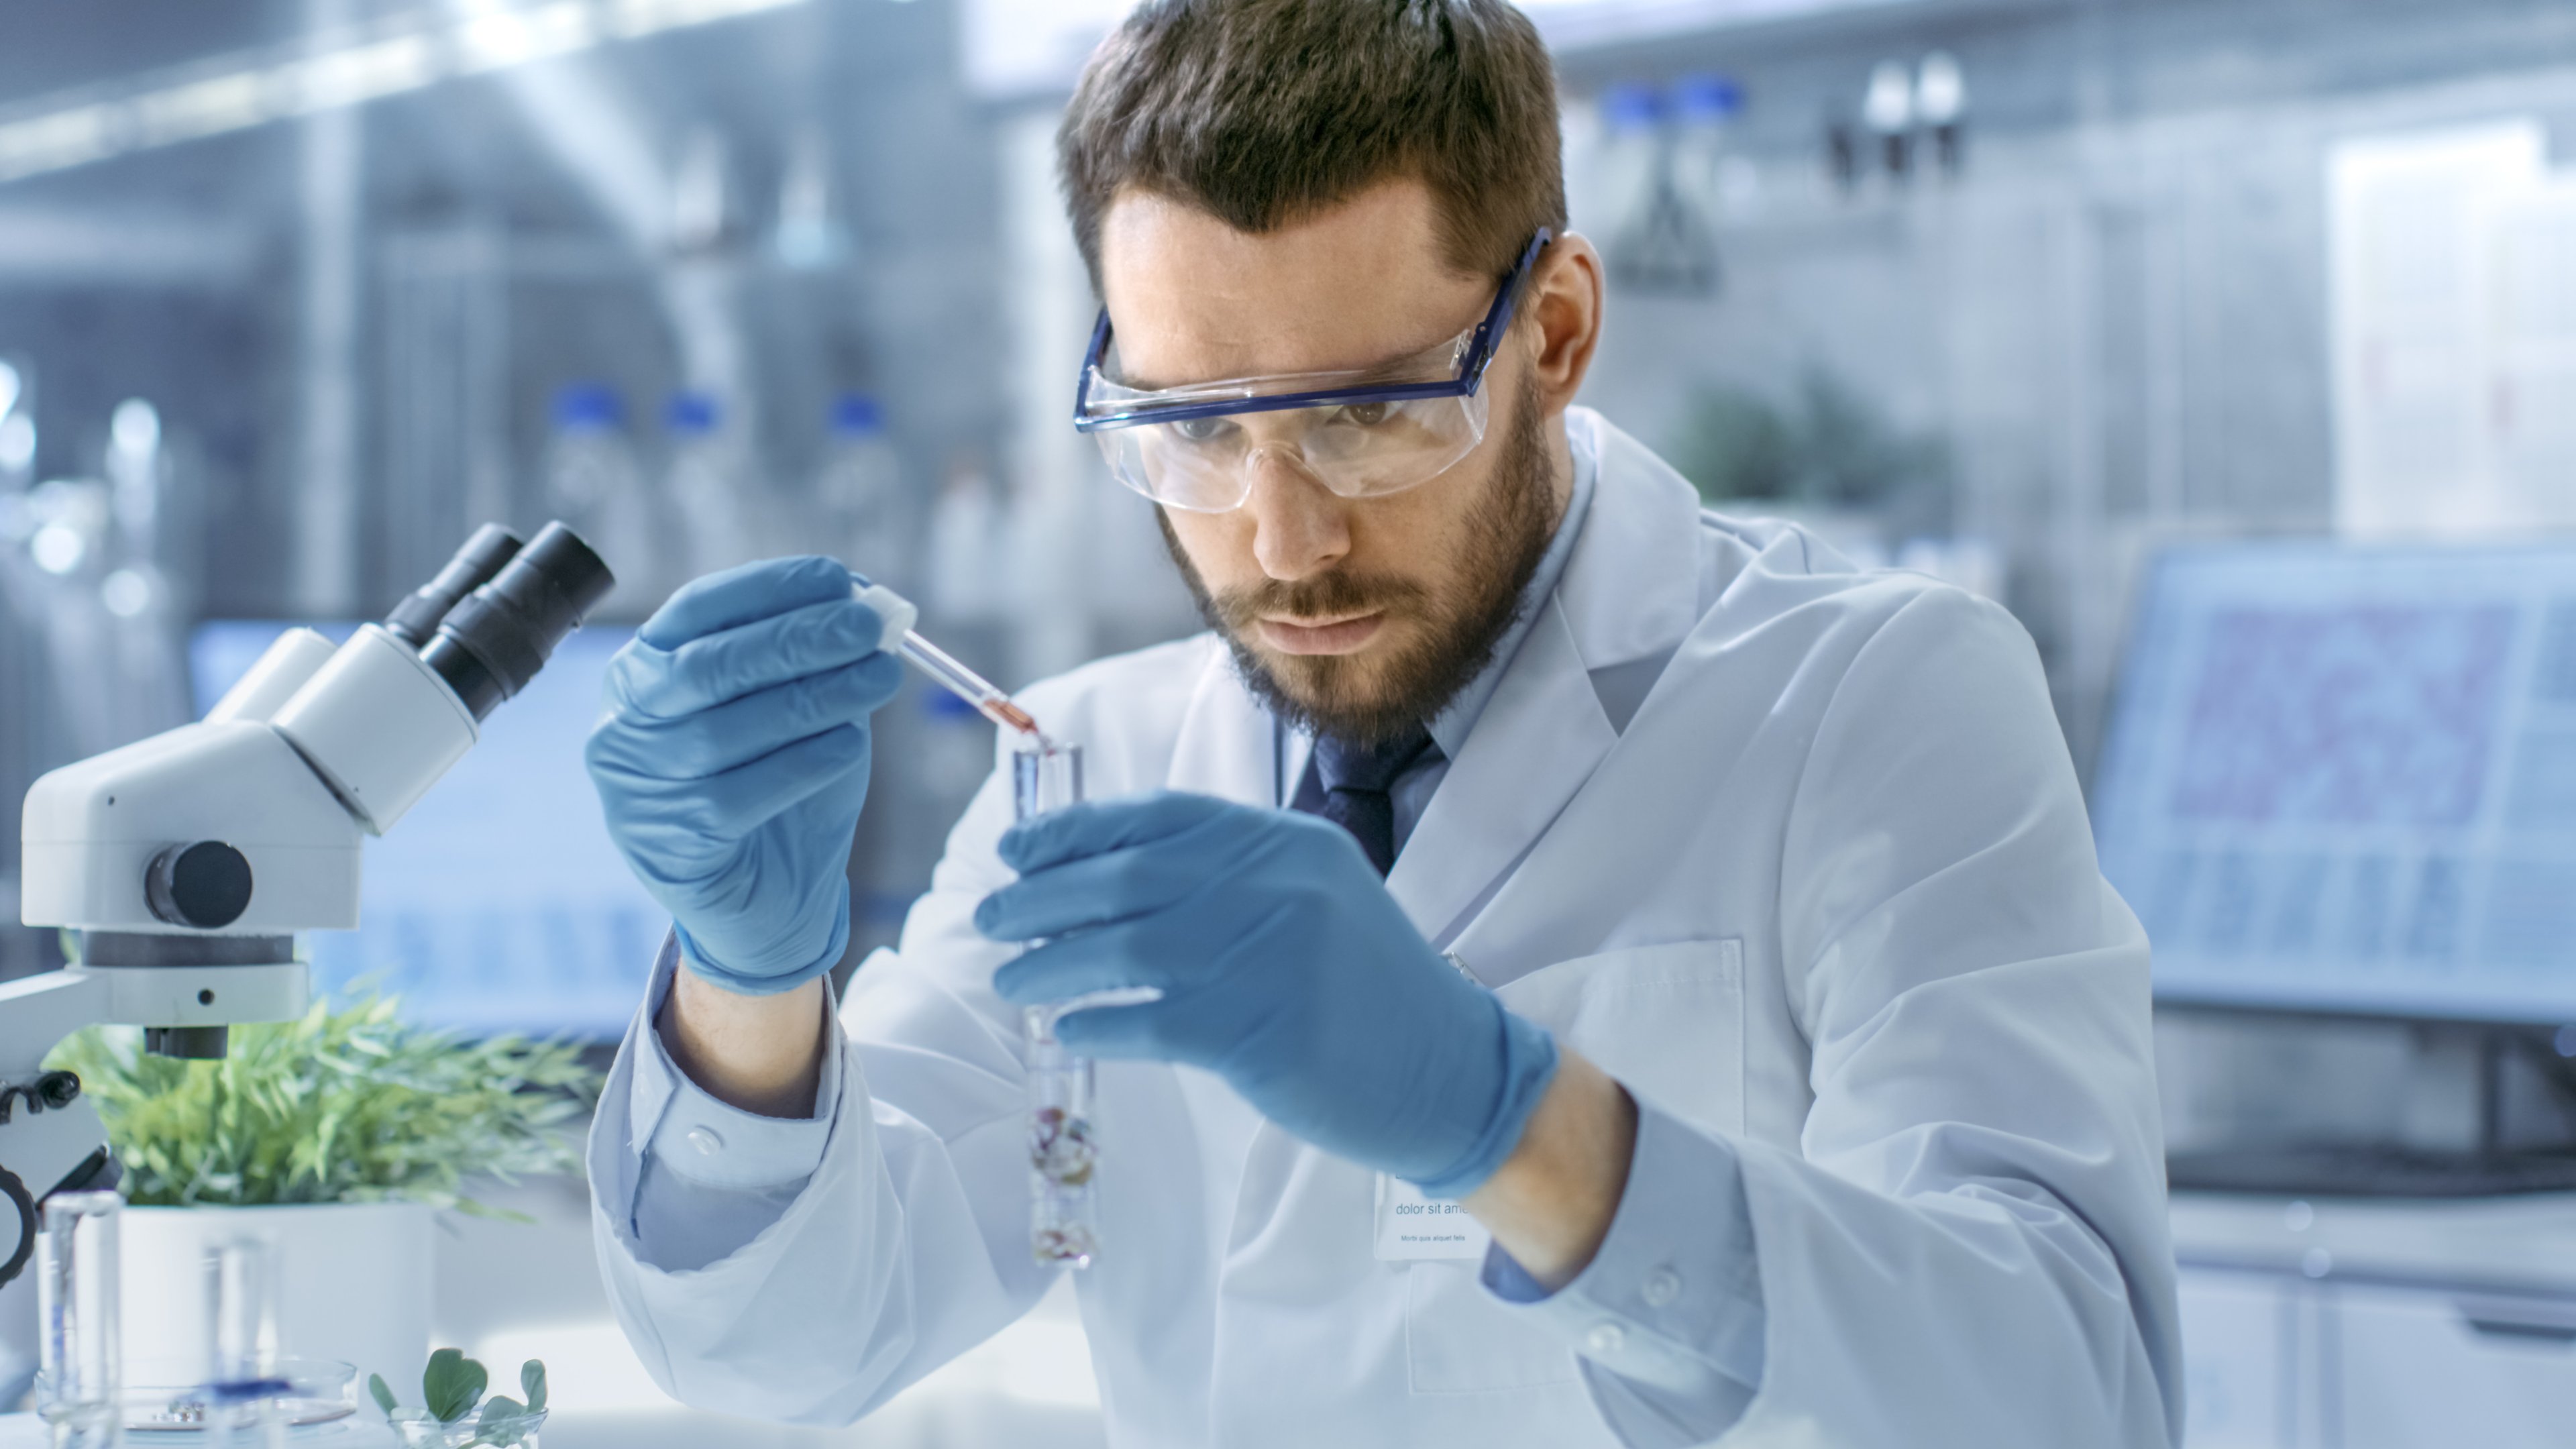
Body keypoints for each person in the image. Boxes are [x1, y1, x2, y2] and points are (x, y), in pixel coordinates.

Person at [580, 2, 2184, 1444]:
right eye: (1192, 429)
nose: (1282, 544)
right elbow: (785, 1353)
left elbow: (2067, 1386)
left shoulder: (1874, 703)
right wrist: (747, 992)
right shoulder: (1082, 769)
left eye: (1364, 414)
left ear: (1551, 334)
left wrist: (1504, 1118)